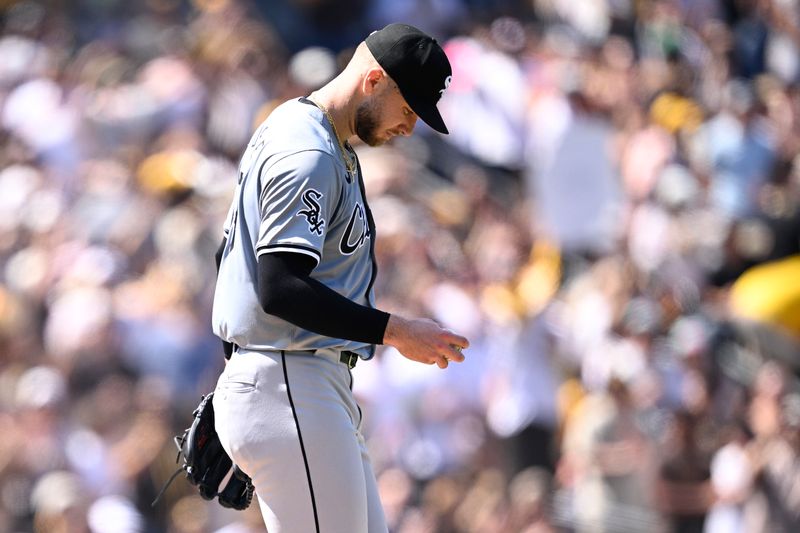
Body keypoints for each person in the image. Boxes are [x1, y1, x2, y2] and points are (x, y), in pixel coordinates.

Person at [210, 23, 468, 533]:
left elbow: (229, 262)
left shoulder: (314, 137)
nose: (409, 127)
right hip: (289, 382)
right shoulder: (308, 149)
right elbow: (278, 286)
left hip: (295, 382)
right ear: (374, 81)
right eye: (409, 109)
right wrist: (395, 331)